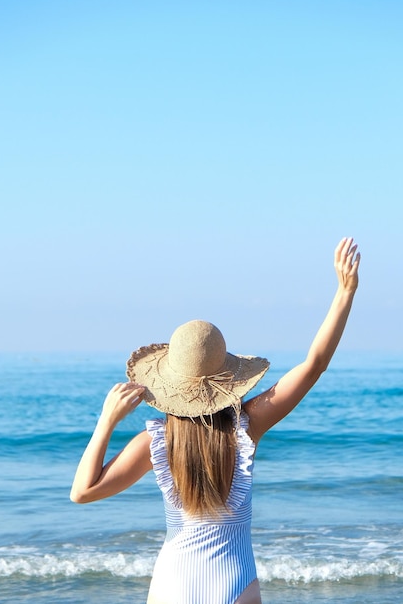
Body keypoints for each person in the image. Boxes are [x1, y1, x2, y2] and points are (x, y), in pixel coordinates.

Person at [70, 237, 361, 604]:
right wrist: (345, 292)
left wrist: (106, 421)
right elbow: (314, 364)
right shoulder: (247, 427)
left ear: (169, 384)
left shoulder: (156, 443)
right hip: (234, 578)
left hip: (172, 583)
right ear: (228, 379)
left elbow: (81, 492)